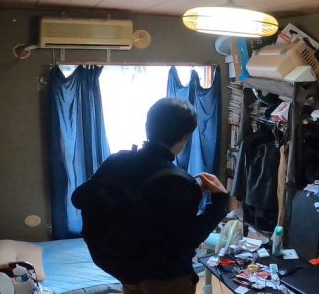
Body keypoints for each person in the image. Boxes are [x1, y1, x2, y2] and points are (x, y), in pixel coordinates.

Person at [75, 97, 230, 294]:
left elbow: (78, 198)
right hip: (165, 278)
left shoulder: (117, 161)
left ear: (148, 126)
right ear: (184, 137)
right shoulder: (179, 181)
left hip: (122, 267)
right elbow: (188, 240)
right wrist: (219, 201)